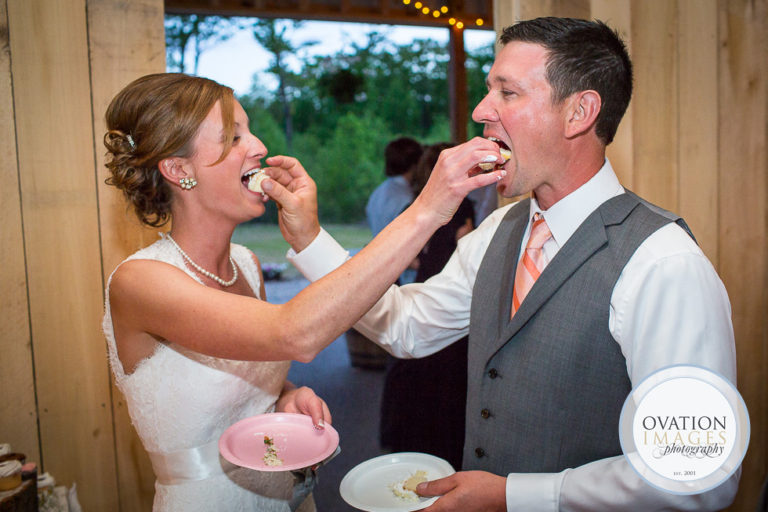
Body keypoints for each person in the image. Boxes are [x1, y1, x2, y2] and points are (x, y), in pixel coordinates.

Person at [280, 17, 739, 511]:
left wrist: (512, 496)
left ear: (579, 112)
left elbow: (697, 474)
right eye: (487, 90)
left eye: (508, 93)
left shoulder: (664, 265)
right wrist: (309, 239)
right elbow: (406, 326)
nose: (481, 111)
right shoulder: (500, 230)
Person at [101, 73, 504, 511]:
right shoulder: (140, 282)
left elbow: (234, 371)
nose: (257, 146)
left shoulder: (246, 265)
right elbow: (293, 333)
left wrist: (284, 395)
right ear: (179, 170)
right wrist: (428, 209)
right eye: (234, 137)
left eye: (250, 130)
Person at [379, 142, 474, 469]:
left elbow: (413, 255)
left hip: (423, 286)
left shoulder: (414, 207)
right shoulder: (462, 209)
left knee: (417, 378)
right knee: (445, 387)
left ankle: (411, 450)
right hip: (448, 293)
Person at [365, 136, 424, 284]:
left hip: (380, 271)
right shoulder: (407, 200)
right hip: (405, 278)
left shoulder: (377, 192)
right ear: (415, 164)